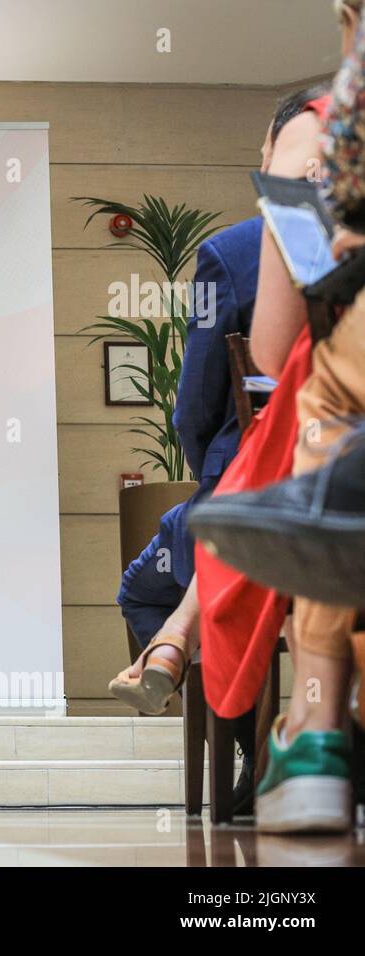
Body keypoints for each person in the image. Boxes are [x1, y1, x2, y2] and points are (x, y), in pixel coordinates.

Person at [192, 0, 365, 833]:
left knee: (319, 434)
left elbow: (267, 346)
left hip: (335, 398)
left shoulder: (323, 126)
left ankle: (315, 730)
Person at [108, 87, 328, 731]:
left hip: (253, 497)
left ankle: (239, 754)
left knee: (147, 585)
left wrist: (217, 476)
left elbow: (198, 404)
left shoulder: (237, 251)